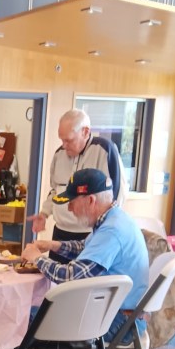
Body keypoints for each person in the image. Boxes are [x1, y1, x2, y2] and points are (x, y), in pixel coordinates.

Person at [21, 168, 149, 342]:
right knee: (37, 311)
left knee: (25, 316)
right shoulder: (114, 218)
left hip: (119, 322)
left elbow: (69, 276)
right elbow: (85, 248)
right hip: (118, 314)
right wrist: (53, 245)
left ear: (90, 200)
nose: (69, 208)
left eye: (72, 201)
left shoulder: (112, 231)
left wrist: (36, 258)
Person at [32, 108, 127, 262]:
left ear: (85, 132)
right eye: (61, 140)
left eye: (68, 140)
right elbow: (55, 190)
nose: (64, 145)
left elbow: (116, 195)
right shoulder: (59, 154)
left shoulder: (104, 150)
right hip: (61, 231)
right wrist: (44, 214)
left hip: (89, 234)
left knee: (76, 275)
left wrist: (105, 231)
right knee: (53, 275)